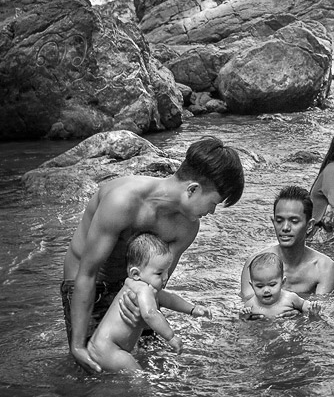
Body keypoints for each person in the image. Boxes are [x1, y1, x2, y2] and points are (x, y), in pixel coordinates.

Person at [62, 137, 244, 372]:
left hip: (136, 283)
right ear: (192, 189)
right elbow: (87, 273)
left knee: (149, 360)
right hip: (87, 282)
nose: (211, 211)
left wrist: (140, 298)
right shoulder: (123, 201)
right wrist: (77, 346)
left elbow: (159, 281)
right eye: (213, 203)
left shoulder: (187, 227)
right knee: (92, 368)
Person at [88, 233, 212, 372]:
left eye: (166, 271)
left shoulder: (139, 286)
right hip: (110, 350)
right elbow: (150, 313)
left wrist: (192, 309)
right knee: (139, 379)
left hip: (101, 346)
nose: (165, 277)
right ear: (135, 274)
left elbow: (169, 299)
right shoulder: (142, 289)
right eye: (159, 273)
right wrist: (170, 337)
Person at [240, 186, 334, 319]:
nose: (285, 228)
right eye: (279, 221)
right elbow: (247, 310)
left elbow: (320, 314)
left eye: (294, 221)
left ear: (309, 226)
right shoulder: (254, 263)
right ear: (273, 223)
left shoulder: (324, 267)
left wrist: (299, 316)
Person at [239, 252, 315, 319]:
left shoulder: (290, 298)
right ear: (252, 286)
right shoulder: (250, 305)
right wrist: (244, 316)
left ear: (282, 282)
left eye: (272, 285)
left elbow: (303, 304)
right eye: (260, 286)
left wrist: (311, 309)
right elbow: (244, 322)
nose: (266, 290)